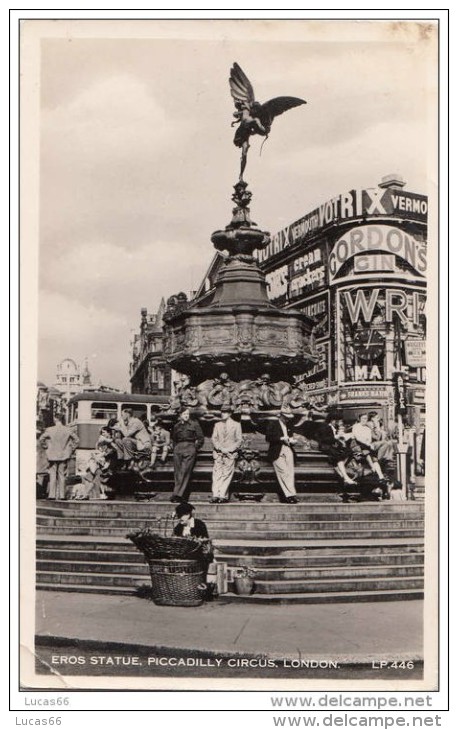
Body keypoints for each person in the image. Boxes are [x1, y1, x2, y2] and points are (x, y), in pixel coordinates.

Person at [39, 414, 79, 500]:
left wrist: (46, 446)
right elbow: (77, 440)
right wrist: (71, 449)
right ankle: (62, 495)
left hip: (52, 455)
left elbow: (41, 439)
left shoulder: (49, 430)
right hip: (63, 455)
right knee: (62, 475)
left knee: (52, 474)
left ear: (55, 419)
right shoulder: (68, 430)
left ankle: (51, 495)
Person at [265, 405, 299, 503]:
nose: (287, 419)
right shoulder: (273, 423)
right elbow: (268, 437)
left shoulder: (289, 425)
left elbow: (291, 436)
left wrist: (292, 440)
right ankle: (289, 495)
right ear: (280, 415)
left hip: (288, 448)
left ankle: (292, 495)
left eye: (288, 417)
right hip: (277, 450)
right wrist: (280, 438)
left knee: (290, 472)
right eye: (285, 417)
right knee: (283, 473)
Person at [210, 405, 243, 503]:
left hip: (230, 453)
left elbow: (238, 440)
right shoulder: (217, 425)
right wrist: (220, 448)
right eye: (222, 412)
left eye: (225, 412)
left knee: (227, 474)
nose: (222, 414)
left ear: (230, 414)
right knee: (217, 474)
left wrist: (229, 449)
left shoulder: (236, 425)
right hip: (219, 453)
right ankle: (215, 495)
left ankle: (222, 495)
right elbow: (214, 438)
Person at [171, 408, 204, 502]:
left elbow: (201, 438)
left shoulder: (194, 424)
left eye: (187, 414)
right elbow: (174, 439)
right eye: (184, 414)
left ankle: (177, 495)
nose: (186, 415)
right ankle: (179, 494)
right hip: (178, 449)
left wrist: (194, 448)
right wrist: (175, 448)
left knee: (185, 471)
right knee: (177, 473)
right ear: (180, 415)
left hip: (189, 447)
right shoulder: (177, 426)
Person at [317, 414, 357, 487]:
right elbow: (324, 439)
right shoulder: (325, 427)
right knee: (338, 456)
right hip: (325, 446)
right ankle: (345, 476)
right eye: (336, 421)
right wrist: (336, 437)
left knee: (349, 451)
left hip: (332, 445)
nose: (337, 422)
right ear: (332, 420)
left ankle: (340, 470)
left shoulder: (333, 427)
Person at [351, 413, 386, 482]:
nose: (365, 420)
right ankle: (375, 470)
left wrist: (368, 443)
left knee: (373, 457)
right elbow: (358, 438)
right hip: (357, 445)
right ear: (359, 419)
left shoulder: (368, 429)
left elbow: (369, 439)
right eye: (363, 418)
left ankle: (380, 476)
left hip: (366, 446)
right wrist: (367, 442)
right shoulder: (356, 426)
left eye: (366, 418)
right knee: (368, 452)